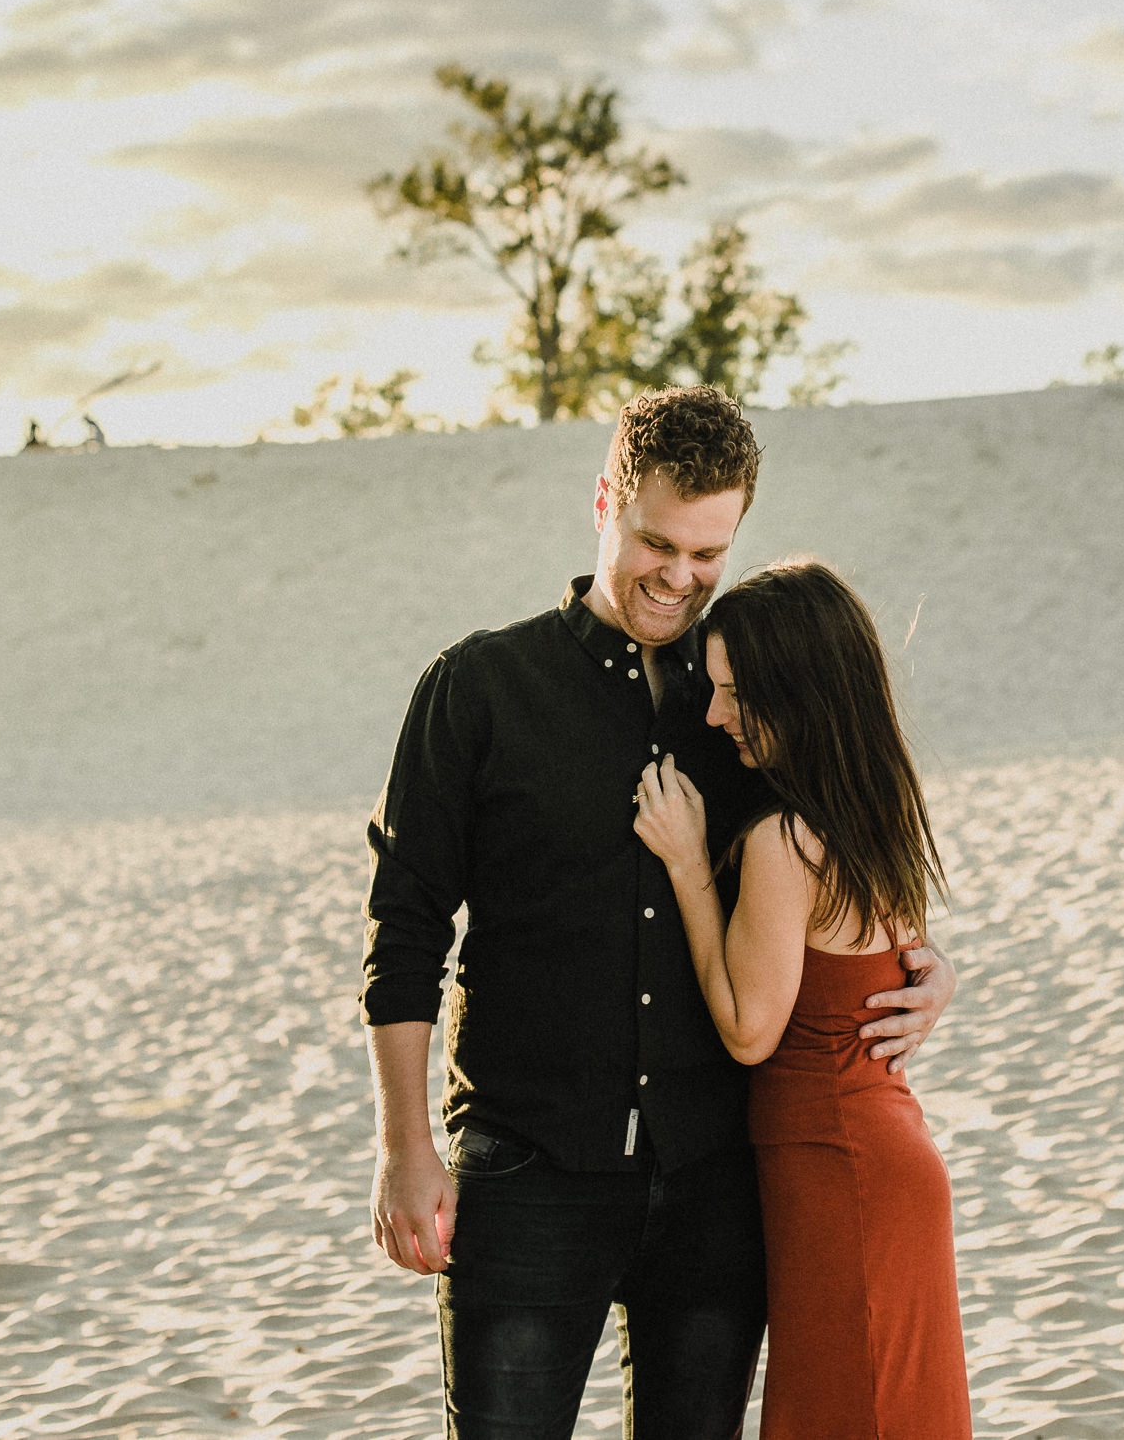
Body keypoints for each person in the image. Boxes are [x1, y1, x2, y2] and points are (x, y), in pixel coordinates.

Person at [361, 385, 959, 1439]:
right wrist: (404, 1146)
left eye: (707, 554)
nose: (678, 577)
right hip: (529, 1170)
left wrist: (918, 964)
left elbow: (837, 842)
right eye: (656, 543)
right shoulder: (480, 687)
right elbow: (405, 930)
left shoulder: (739, 698)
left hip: (714, 1180)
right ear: (604, 499)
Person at [634, 559, 973, 1440]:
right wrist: (940, 972)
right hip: (885, 1154)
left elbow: (750, 1030)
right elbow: (899, 956)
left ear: (801, 692)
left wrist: (686, 864)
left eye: (736, 694)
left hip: (839, 1170)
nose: (714, 715)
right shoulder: (877, 805)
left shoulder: (787, 841)